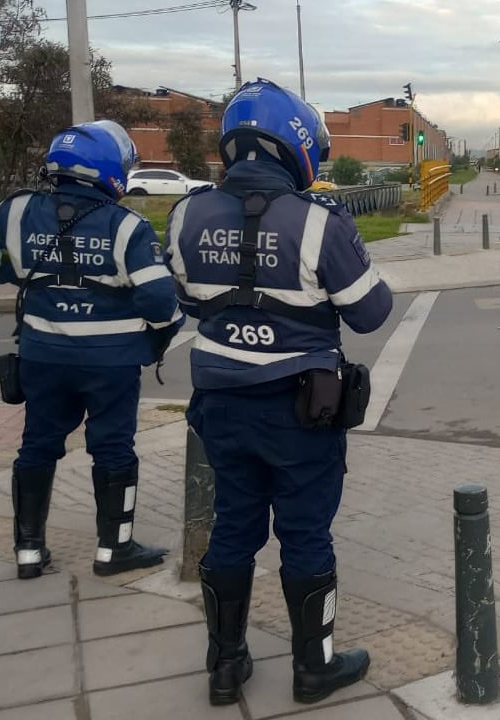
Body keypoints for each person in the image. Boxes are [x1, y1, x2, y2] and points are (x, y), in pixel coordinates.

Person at [165, 78, 394, 707]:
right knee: (305, 533)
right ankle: (313, 668)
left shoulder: (186, 214)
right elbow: (372, 313)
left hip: (221, 406)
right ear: (297, 146)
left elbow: (187, 301)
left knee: (233, 527)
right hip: (302, 410)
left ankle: (225, 664)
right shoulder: (319, 222)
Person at [0, 121, 182, 580]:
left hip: (42, 353)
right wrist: (161, 333)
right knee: (113, 448)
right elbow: (160, 302)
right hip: (111, 362)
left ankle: (27, 550)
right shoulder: (128, 226)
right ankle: (114, 548)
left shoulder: (16, 211)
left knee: (37, 445)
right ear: (110, 169)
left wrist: (20, 274)